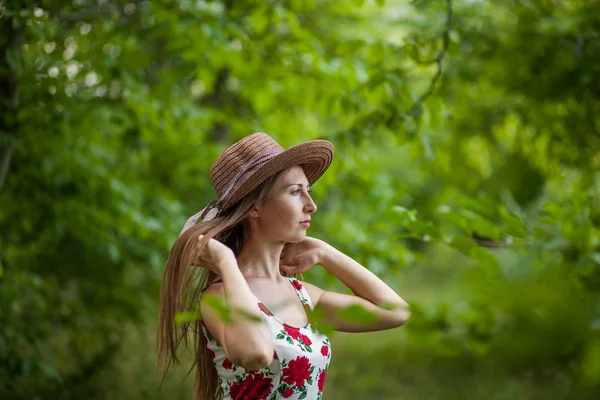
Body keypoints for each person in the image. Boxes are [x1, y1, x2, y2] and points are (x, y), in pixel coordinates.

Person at [157, 132, 410, 400]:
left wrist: (326, 253)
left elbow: (395, 312)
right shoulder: (218, 297)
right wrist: (225, 263)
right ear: (254, 207)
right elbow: (255, 354)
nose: (311, 206)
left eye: (308, 192)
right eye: (295, 192)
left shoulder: (303, 297)